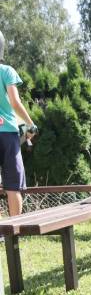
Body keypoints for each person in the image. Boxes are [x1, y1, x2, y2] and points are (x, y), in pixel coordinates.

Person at [0, 30, 38, 217]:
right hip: (7, 133)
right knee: (13, 185)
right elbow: (15, 102)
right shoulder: (7, 71)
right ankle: (13, 234)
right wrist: (30, 124)